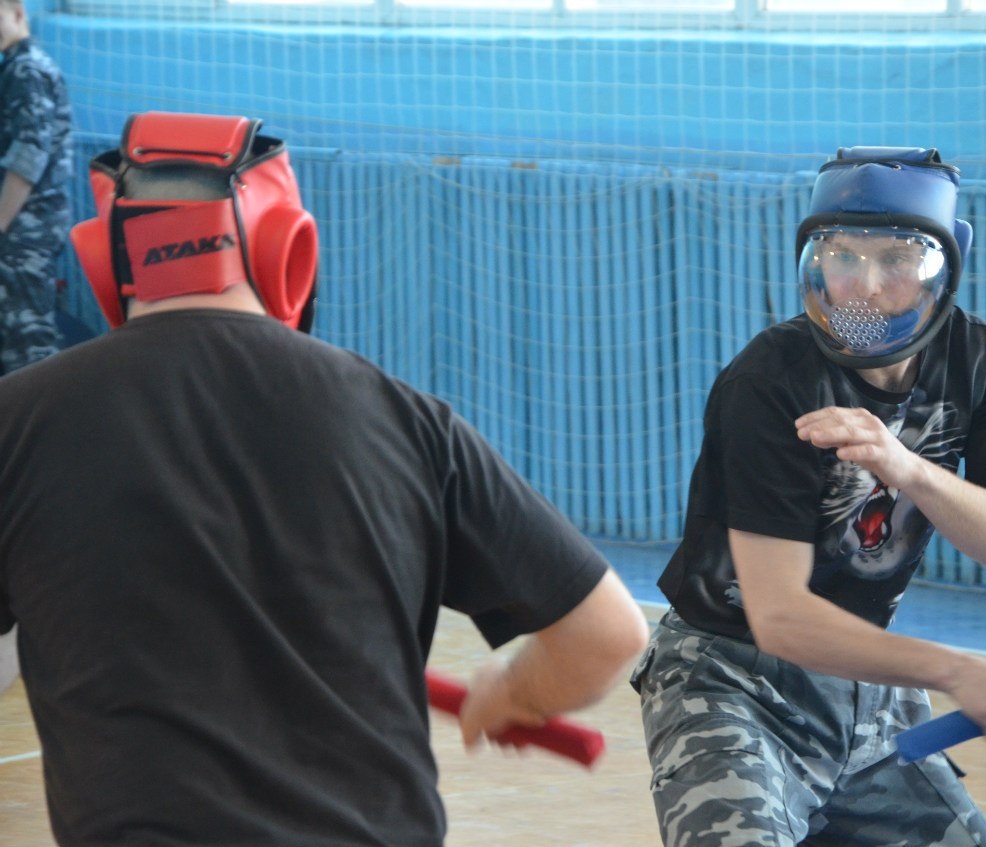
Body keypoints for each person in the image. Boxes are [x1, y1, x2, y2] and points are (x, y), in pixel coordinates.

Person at [0, 111, 650, 846]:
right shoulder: (404, 419)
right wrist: (513, 692)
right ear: (284, 245)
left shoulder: (18, 421)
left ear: (107, 252)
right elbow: (605, 635)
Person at [631, 147, 986, 847]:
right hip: (732, 678)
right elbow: (780, 619)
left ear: (944, 267)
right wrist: (955, 670)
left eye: (897, 258)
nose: (864, 286)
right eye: (842, 256)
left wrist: (909, 469)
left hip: (867, 685)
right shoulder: (769, 379)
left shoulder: (983, 360)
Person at [0, 0, 71, 373]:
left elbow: (29, 156)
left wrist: (0, 223)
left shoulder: (27, 70)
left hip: (27, 226)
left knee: (28, 342)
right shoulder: (16, 67)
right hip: (24, 224)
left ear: (17, 13)